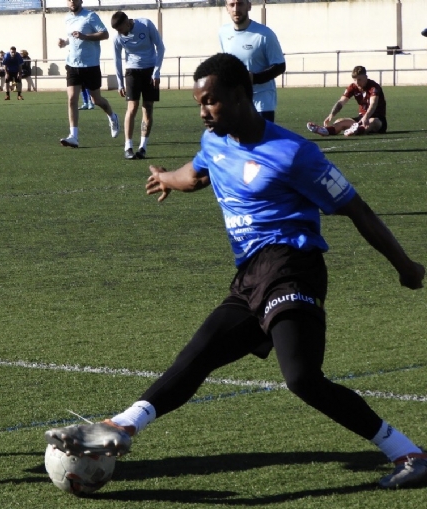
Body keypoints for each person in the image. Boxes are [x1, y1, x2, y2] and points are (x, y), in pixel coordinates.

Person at [45, 52, 427, 490]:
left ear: (242, 95)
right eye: (198, 103)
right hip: (250, 276)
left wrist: (405, 266)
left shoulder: (295, 153)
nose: (204, 111)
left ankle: (408, 453)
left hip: (292, 267)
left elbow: (358, 210)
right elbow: (196, 174)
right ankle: (117, 427)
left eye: (210, 101)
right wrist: (166, 177)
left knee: (302, 378)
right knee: (198, 354)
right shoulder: (215, 141)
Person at [57, 0, 119, 148]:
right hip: (72, 64)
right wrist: (64, 42)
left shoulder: (90, 16)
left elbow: (105, 34)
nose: (72, 2)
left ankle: (112, 116)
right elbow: (72, 38)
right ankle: (74, 136)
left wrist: (85, 36)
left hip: (90, 65)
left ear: (81, 1)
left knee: (96, 100)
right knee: (72, 98)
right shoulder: (67, 18)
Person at [218, 0, 285, 122]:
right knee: (238, 141)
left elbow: (280, 66)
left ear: (249, 6)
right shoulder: (223, 33)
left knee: (262, 140)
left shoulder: (264, 34)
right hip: (236, 101)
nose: (236, 9)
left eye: (240, 4)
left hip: (262, 103)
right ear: (226, 8)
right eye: (232, 5)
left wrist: (254, 78)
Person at [111, 11, 165, 160]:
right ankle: (128, 146)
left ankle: (143, 147)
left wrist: (156, 71)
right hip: (132, 72)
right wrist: (120, 83)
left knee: (147, 109)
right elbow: (117, 60)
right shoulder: (118, 38)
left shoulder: (145, 25)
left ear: (127, 21)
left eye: (121, 28)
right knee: (132, 107)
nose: (120, 32)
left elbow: (160, 47)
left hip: (150, 72)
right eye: (117, 31)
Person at [307, 66, 387, 137]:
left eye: (359, 79)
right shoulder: (353, 87)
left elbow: (373, 103)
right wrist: (332, 114)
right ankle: (324, 130)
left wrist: (366, 117)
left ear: (366, 77)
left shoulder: (374, 87)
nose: (357, 82)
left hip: (377, 119)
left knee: (373, 121)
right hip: (361, 118)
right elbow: (341, 102)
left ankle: (357, 130)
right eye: (355, 80)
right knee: (339, 121)